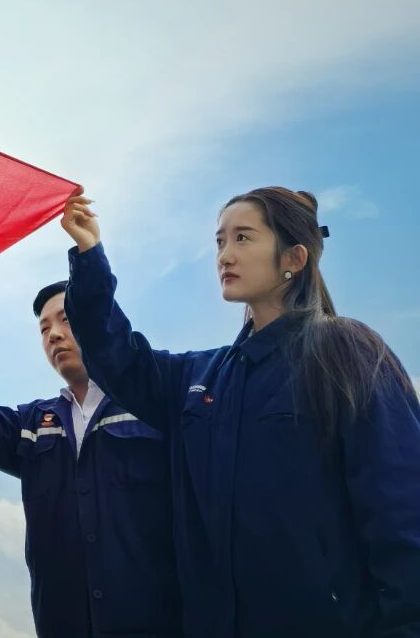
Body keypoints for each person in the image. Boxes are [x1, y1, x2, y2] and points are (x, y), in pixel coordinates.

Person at [62, 186, 420, 636]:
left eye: (243, 237)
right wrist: (89, 254)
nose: (225, 255)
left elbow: (401, 506)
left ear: (293, 258)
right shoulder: (199, 377)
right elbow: (114, 356)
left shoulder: (345, 349)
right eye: (220, 241)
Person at [0, 277, 181, 637]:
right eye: (44, 328)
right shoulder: (34, 424)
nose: (53, 334)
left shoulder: (153, 403)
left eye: (66, 319)